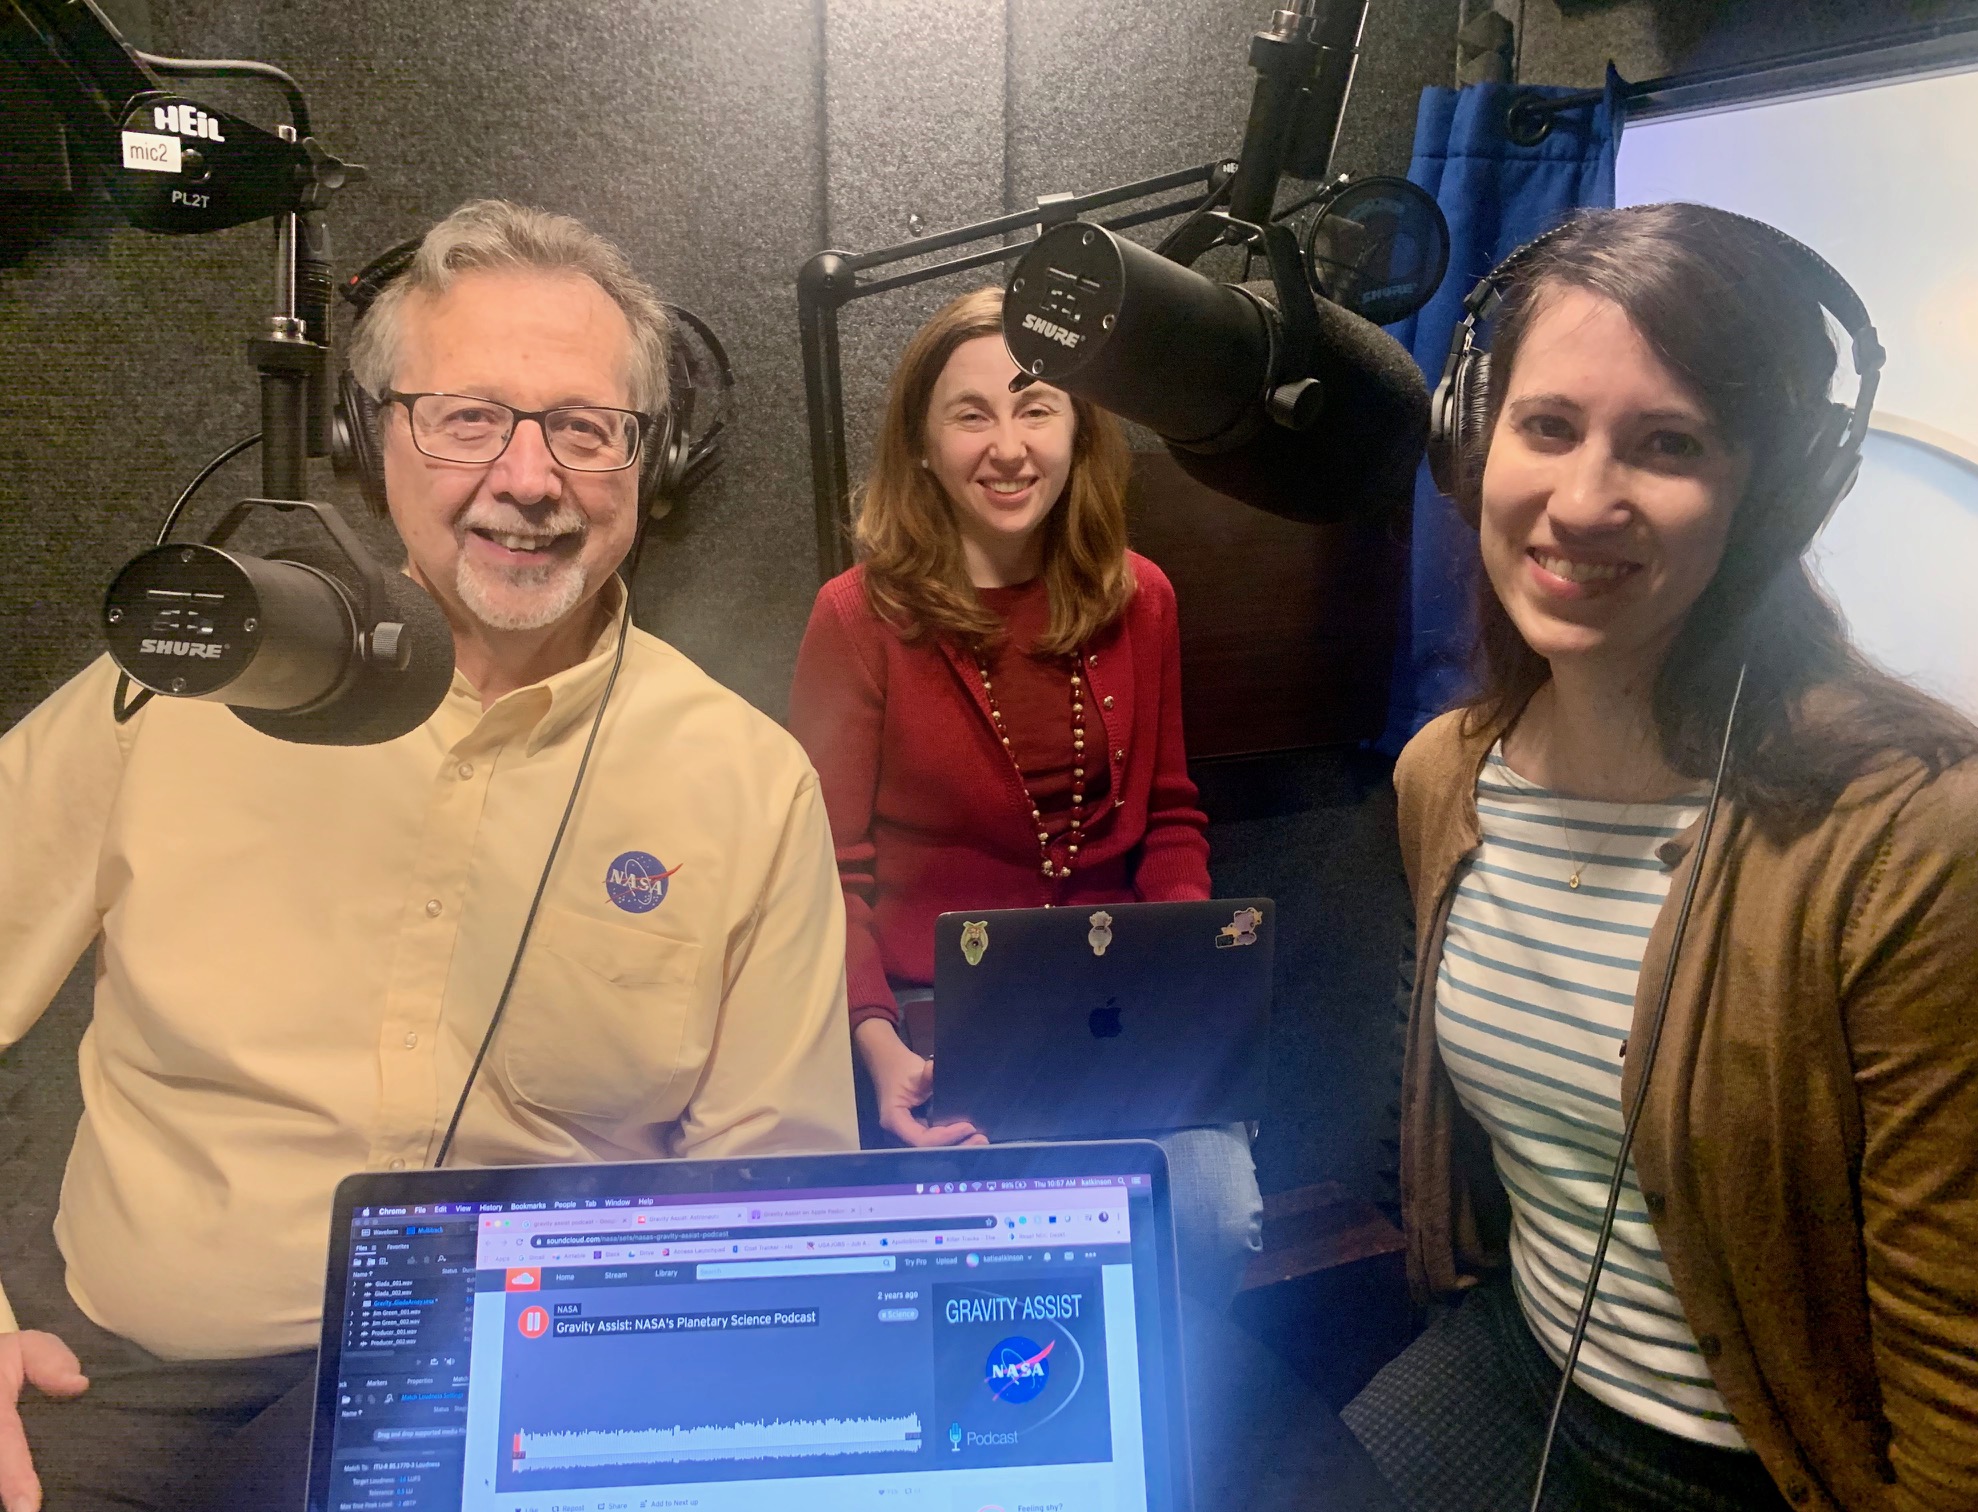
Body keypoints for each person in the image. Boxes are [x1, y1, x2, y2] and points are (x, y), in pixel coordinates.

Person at [0, 200, 856, 1512]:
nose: (528, 477)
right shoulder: (173, 693)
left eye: (584, 428)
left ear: (651, 463)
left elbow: (773, 1203)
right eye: (467, 416)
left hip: (546, 1401)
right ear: (368, 438)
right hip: (148, 1393)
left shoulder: (746, 786)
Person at [1339, 204, 1978, 1512]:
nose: (1583, 500)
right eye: (1547, 427)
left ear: (1774, 493)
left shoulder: (1922, 835)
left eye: (1669, 445)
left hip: (1776, 1458)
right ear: (1475, 443)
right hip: (1523, 1372)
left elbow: (1973, 1383)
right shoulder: (1446, 776)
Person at [787, 285, 1262, 1305]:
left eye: (1035, 405)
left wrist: (1178, 987)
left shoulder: (1143, 596)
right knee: (982, 1262)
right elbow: (823, 872)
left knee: (1214, 1213)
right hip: (931, 1026)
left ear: (1079, 427)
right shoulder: (855, 617)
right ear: (921, 444)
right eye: (971, 414)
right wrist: (876, 1045)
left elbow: (1171, 819)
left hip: (1111, 1005)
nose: (1008, 446)